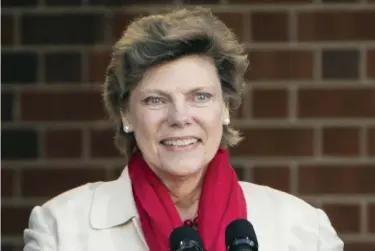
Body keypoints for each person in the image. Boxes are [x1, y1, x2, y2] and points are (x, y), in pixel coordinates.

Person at [23, 6, 344, 251]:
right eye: (155, 100)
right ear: (126, 115)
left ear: (226, 108)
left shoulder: (302, 230)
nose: (180, 117)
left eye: (200, 97)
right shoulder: (61, 228)